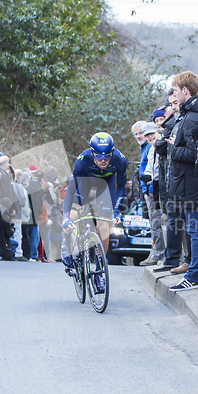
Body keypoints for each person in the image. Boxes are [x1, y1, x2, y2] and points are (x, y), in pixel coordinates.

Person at [160, 71, 198, 291]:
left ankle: (195, 274)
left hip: (193, 184)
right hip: (187, 183)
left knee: (196, 229)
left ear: (185, 91)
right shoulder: (189, 113)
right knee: (195, 228)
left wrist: (174, 149)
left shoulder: (192, 117)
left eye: (175, 90)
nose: (173, 94)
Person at [62, 132, 127, 290]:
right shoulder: (82, 160)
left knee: (104, 227)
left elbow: (121, 188)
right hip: (84, 183)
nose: (103, 160)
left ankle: (98, 270)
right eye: (98, 156)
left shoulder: (120, 159)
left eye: (107, 156)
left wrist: (115, 212)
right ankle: (68, 247)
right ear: (92, 153)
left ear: (112, 152)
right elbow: (71, 189)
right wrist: (65, 217)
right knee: (73, 214)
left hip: (106, 186)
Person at [139, 122, 165, 266]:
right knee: (155, 222)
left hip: (162, 188)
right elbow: (149, 167)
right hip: (152, 188)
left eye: (152, 134)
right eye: (147, 135)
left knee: (165, 222)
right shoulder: (150, 149)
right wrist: (146, 176)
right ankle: (158, 253)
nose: (149, 137)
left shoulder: (162, 146)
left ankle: (163, 255)